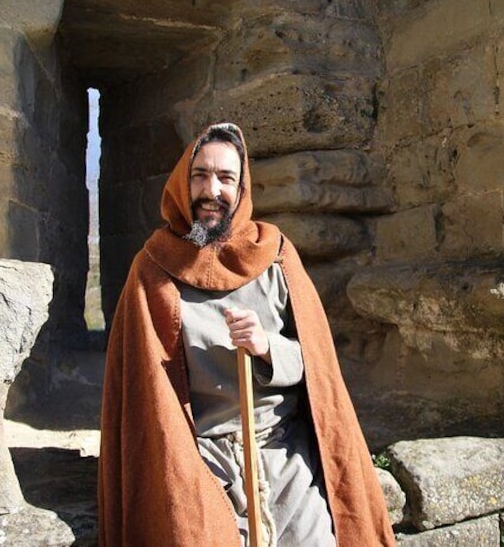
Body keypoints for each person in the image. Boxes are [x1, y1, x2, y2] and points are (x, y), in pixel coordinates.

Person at [97, 122, 395, 546]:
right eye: (200, 174)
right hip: (200, 456)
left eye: (225, 178)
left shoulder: (275, 257)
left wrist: (267, 348)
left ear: (241, 189)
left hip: (282, 449)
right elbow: (142, 395)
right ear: (183, 182)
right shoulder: (153, 269)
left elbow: (316, 366)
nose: (211, 191)